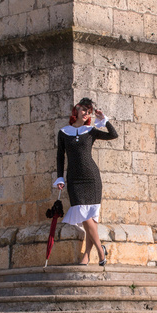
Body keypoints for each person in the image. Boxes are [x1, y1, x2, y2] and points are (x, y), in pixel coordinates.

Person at [53, 98, 118, 266]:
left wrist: (104, 120)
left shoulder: (91, 131)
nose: (86, 113)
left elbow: (113, 135)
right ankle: (100, 249)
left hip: (92, 178)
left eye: (88, 111)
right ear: (76, 110)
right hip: (74, 179)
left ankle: (86, 256)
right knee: (83, 215)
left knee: (91, 220)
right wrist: (60, 177)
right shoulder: (64, 132)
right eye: (83, 109)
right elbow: (60, 156)